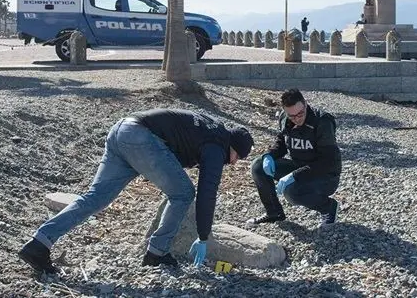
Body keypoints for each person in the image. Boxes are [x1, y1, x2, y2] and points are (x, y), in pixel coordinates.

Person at [18, 109, 254, 274]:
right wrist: (203, 236)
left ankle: (39, 244)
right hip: (142, 138)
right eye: (236, 158)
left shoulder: (213, 129)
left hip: (122, 130)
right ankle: (157, 252)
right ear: (233, 148)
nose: (233, 163)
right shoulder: (217, 147)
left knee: (96, 198)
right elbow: (207, 192)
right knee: (183, 193)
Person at [247, 89, 342, 227]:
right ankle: (274, 213)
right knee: (258, 166)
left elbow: (327, 161)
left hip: (325, 175)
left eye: (300, 114)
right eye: (292, 116)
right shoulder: (285, 118)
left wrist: (294, 176)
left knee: (291, 192)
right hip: (298, 166)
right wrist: (269, 155)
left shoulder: (322, 122)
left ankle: (328, 207)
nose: (297, 119)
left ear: (305, 104)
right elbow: (282, 143)